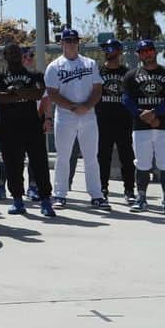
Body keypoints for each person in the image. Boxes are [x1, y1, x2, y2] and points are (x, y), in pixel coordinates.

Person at [0, 42, 55, 217]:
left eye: (18, 52)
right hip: (8, 127)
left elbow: (39, 94)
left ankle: (46, 201)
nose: (16, 55)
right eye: (11, 53)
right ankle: (17, 200)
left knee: (39, 163)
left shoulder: (35, 74)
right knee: (12, 164)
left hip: (31, 125)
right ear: (4, 55)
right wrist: (22, 93)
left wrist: (16, 92)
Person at [44, 29, 106, 210]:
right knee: (63, 156)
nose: (71, 43)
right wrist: (72, 107)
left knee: (91, 156)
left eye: (74, 40)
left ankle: (96, 195)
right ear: (61, 43)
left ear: (78, 42)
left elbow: (97, 88)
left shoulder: (90, 63)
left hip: (88, 114)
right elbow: (52, 94)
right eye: (68, 40)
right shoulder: (54, 66)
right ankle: (60, 195)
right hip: (65, 115)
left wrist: (86, 106)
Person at [122, 39, 165, 213]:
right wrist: (143, 114)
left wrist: (155, 113)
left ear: (155, 52)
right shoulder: (131, 76)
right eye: (142, 51)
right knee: (142, 163)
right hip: (141, 126)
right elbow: (126, 100)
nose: (146, 54)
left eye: (149, 50)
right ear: (138, 55)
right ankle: (141, 198)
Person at [94, 39, 136, 204]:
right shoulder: (98, 72)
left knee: (127, 156)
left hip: (123, 120)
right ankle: (102, 188)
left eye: (111, 49)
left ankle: (129, 190)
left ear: (119, 51)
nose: (108, 52)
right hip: (102, 120)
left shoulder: (127, 73)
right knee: (103, 156)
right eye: (106, 49)